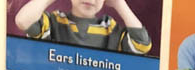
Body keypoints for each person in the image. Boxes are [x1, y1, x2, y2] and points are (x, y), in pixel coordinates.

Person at [14, 0, 152, 55]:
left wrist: (119, 4)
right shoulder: (53, 22)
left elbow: (142, 45)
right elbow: (22, 21)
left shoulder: (111, 29)